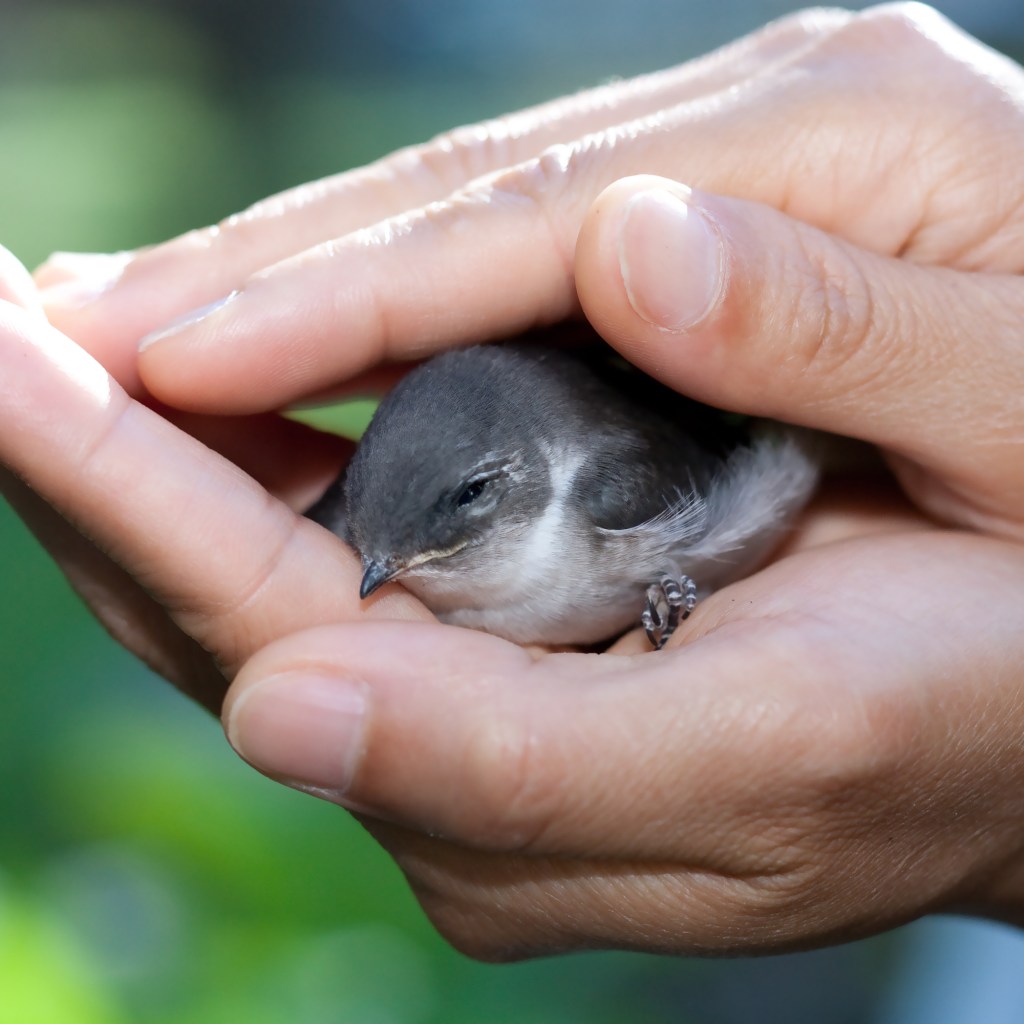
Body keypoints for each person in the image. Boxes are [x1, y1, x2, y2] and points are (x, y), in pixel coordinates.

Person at [4, 2, 1024, 959]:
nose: (384, 569)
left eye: (459, 519)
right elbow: (380, 531)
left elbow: (775, 445)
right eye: (375, 537)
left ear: (527, 477)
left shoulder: (616, 485)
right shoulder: (369, 525)